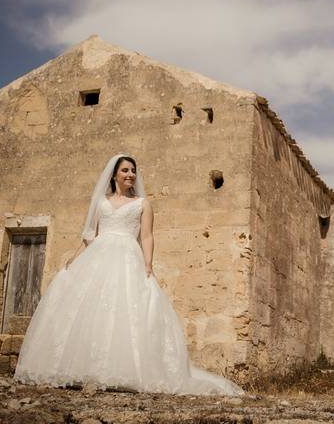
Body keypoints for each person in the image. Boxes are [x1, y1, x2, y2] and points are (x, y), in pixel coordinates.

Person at [13, 154, 243, 395]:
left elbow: (146, 236)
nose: (130, 174)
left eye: (133, 170)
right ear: (114, 175)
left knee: (125, 310)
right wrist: (74, 257)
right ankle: (84, 368)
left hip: (127, 256)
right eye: (125, 170)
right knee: (91, 310)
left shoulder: (142, 204)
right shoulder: (101, 202)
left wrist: (148, 264)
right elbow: (89, 236)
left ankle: (123, 371)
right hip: (98, 255)